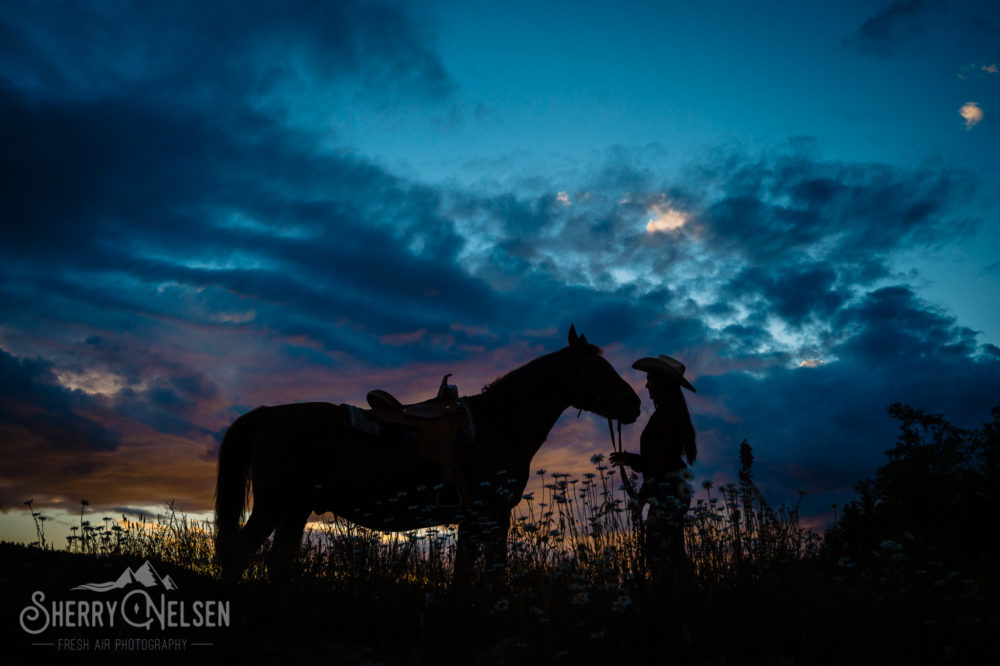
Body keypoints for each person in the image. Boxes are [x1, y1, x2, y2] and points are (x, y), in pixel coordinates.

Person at [610, 354, 697, 579]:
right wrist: (628, 459)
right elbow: (659, 459)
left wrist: (642, 496)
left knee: (662, 554)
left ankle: (677, 602)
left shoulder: (666, 416)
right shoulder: (669, 414)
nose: (647, 384)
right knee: (670, 552)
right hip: (670, 489)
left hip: (666, 490)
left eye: (650, 379)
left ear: (661, 384)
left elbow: (658, 464)